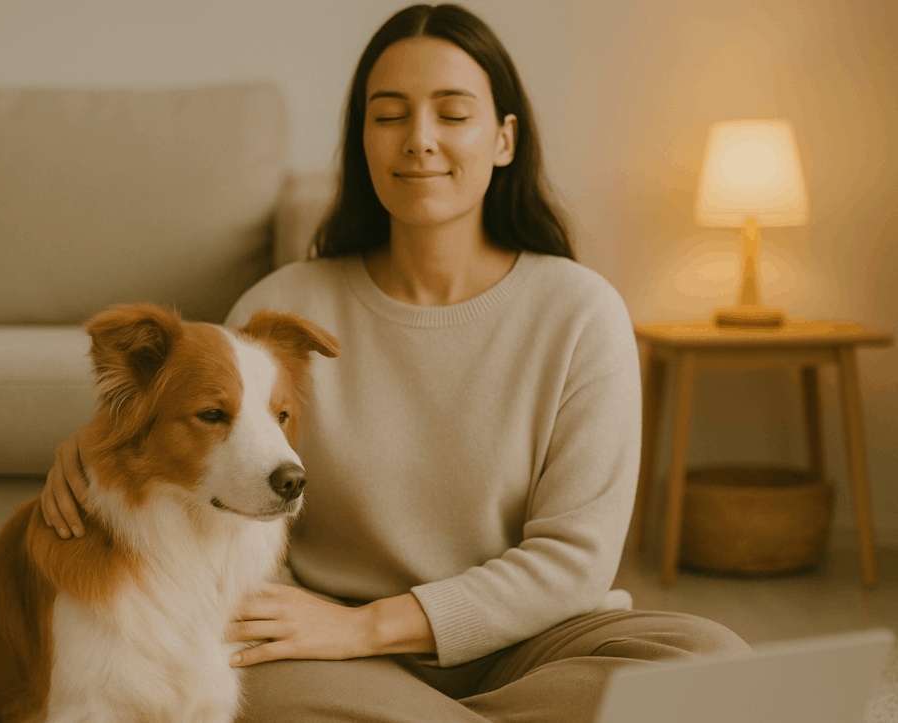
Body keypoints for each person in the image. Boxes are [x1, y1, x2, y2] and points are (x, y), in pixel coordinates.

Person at [41, 4, 750, 721]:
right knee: (252, 690)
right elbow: (210, 472)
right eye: (388, 116)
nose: (418, 140)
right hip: (324, 651)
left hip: (536, 642)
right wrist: (93, 444)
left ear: (503, 139)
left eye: (451, 114)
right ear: (361, 143)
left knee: (712, 662)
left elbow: (574, 561)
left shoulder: (580, 310)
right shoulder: (284, 306)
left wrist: (371, 623)